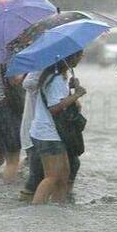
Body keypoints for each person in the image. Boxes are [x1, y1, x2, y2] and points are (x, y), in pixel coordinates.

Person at [31, 51, 86, 204]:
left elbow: (72, 107)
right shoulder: (54, 80)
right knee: (52, 177)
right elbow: (54, 108)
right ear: (69, 58)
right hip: (48, 134)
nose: (81, 58)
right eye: (79, 55)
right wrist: (77, 95)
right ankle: (35, 211)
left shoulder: (59, 79)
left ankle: (59, 210)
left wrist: (73, 90)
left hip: (52, 133)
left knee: (63, 176)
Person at [19, 71, 43, 201]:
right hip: (35, 131)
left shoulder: (58, 74)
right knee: (36, 175)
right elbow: (27, 83)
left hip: (45, 132)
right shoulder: (39, 71)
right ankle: (29, 208)